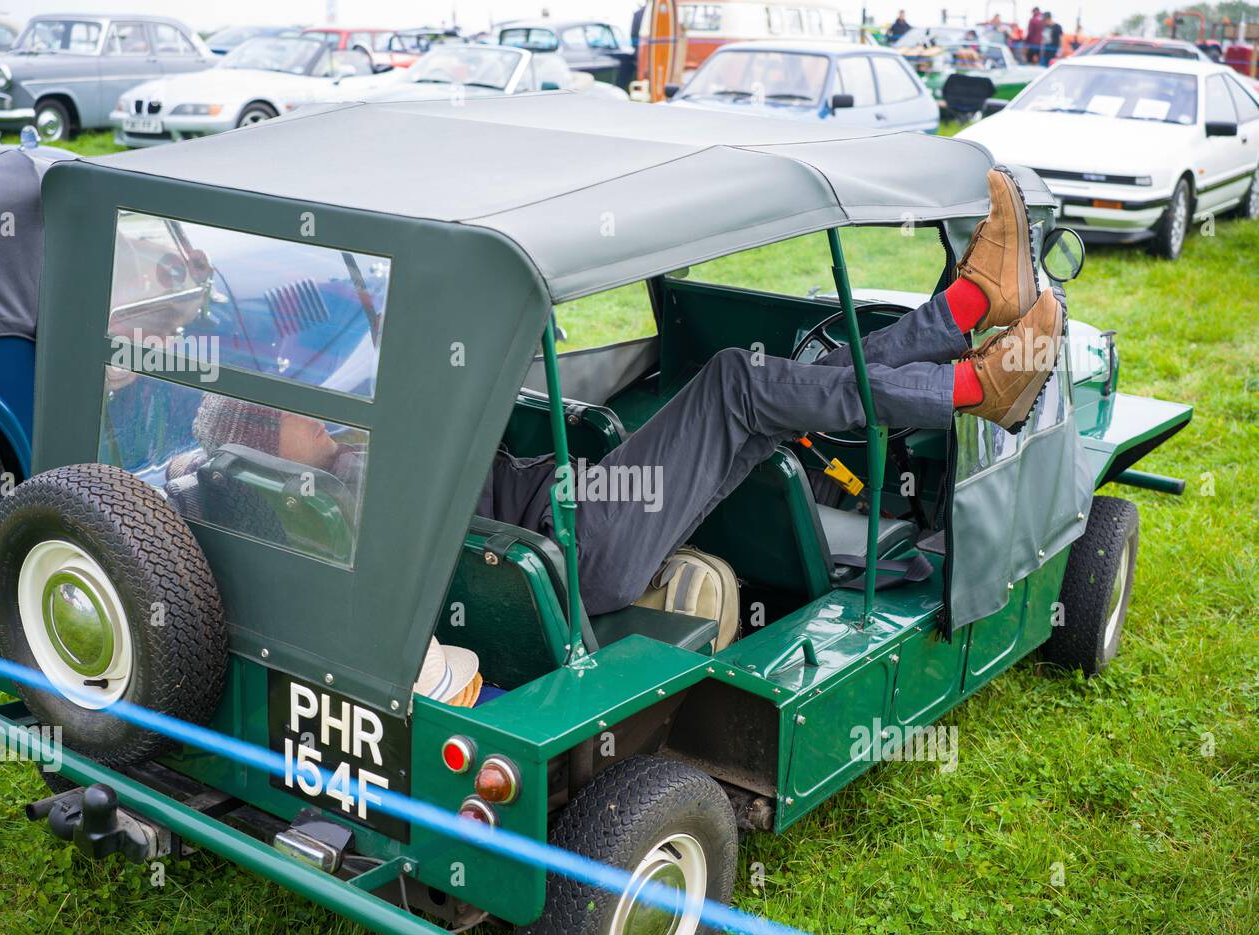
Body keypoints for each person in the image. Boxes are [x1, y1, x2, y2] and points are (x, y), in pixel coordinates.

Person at [190, 169, 1059, 620]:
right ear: (271, 441)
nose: (328, 413)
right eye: (303, 414)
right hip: (576, 557)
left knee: (761, 403)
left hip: (561, 514)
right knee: (735, 388)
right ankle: (971, 368)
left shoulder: (310, 481)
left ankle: (964, 331)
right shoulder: (343, 492)